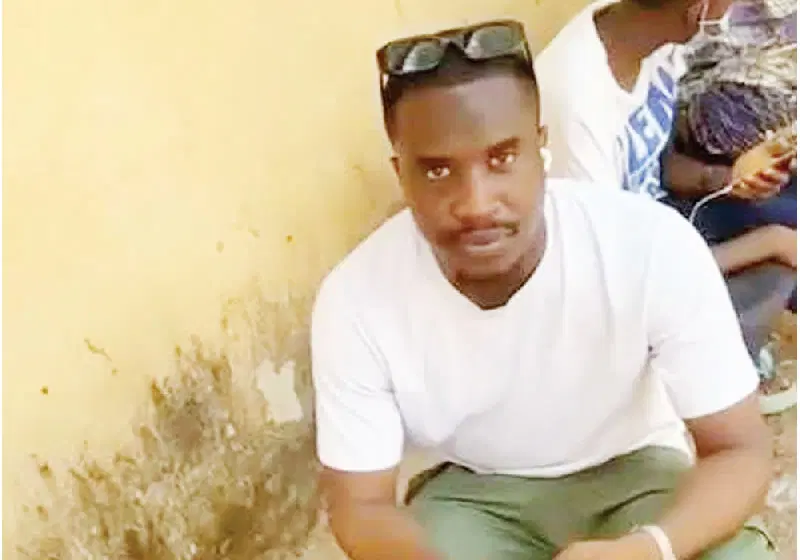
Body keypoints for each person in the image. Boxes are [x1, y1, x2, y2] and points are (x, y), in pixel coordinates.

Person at [312, 20, 776, 559]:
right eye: (437, 171)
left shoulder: (648, 244)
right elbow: (361, 506)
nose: (476, 203)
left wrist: (647, 549)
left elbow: (739, 450)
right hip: (477, 495)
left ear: (541, 148)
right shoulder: (356, 300)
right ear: (401, 175)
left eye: (502, 158)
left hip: (635, 472)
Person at [534, 0, 796, 408]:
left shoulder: (646, 33)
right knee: (776, 254)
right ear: (696, 9)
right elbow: (617, 275)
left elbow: (653, 161)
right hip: (620, 279)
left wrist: (724, 179)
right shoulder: (577, 105)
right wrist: (768, 242)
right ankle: (706, 385)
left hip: (658, 222)